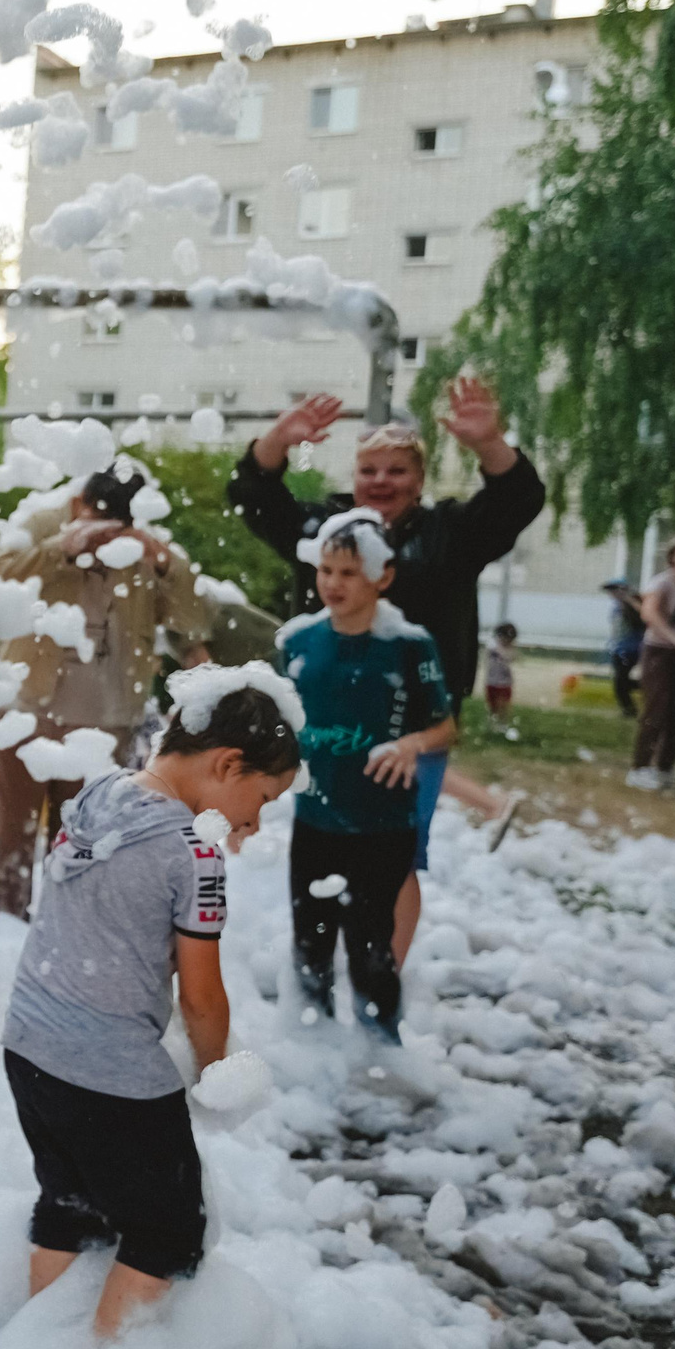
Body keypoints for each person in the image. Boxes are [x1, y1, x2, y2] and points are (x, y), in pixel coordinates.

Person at [3, 666, 300, 1339]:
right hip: (109, 1072)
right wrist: (216, 1072)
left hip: (29, 1048)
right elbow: (200, 992)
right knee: (168, 1231)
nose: (254, 821)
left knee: (70, 1204)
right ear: (228, 763)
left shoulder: (99, 792)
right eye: (262, 796)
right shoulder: (194, 849)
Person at [229, 376, 541, 938]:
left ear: (419, 480)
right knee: (326, 843)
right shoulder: (326, 531)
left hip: (415, 727)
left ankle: (383, 977)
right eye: (369, 470)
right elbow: (254, 497)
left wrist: (489, 443)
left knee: (396, 858)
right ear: (353, 478)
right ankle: (321, 974)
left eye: (397, 471)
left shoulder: (449, 533)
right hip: (329, 726)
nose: (381, 481)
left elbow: (517, 500)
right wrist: (279, 438)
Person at [0, 463, 216, 917]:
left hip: (107, 717)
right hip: (28, 707)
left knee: (83, 832)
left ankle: (66, 924)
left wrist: (166, 562)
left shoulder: (143, 546)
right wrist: (60, 549)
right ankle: (8, 923)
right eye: (93, 517)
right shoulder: (41, 526)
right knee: (15, 827)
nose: (105, 534)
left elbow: (191, 618)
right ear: (76, 503)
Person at [278, 510, 457, 1041]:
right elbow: (279, 724)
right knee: (310, 940)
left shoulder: (408, 645)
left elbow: (445, 727)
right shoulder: (297, 642)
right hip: (314, 820)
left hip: (383, 824)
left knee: (371, 947)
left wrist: (410, 743)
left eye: (348, 573)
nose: (332, 583)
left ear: (383, 576)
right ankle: (312, 1044)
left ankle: (381, 1048)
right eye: (325, 570)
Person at [630, 536, 675, 791]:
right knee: (656, 709)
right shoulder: (661, 583)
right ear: (672, 557)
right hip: (660, 650)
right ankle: (640, 767)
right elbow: (649, 613)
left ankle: (665, 768)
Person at [602, 579, 645, 719]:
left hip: (632, 649)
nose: (613, 594)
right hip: (619, 648)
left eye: (616, 590)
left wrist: (629, 599)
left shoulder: (633, 604)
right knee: (620, 681)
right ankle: (629, 709)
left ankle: (630, 710)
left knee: (621, 681)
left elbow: (645, 616)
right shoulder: (617, 606)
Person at [483, 622, 520, 726]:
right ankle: (492, 722)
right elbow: (486, 657)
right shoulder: (492, 646)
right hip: (491, 681)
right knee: (492, 704)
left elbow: (513, 657)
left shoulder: (510, 649)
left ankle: (503, 723)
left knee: (504, 704)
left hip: (505, 682)